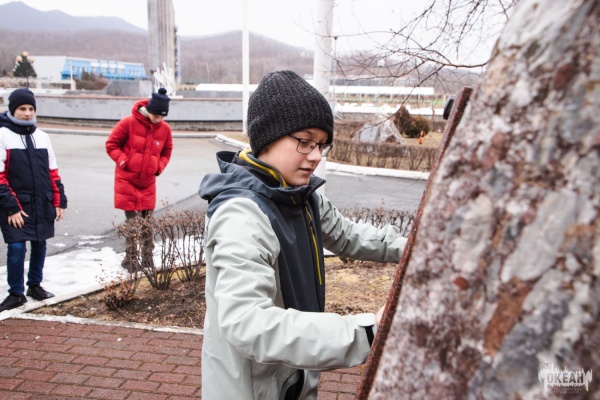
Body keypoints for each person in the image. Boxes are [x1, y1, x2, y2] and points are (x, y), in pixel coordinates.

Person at [198, 70, 407, 400]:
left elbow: (348, 236)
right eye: (305, 142)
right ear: (268, 138)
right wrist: (368, 332)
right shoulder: (241, 214)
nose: (315, 156)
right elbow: (248, 323)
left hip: (293, 378)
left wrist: (417, 249)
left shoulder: (300, 196)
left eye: (321, 144)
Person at [0, 88, 67, 312]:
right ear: (12, 110)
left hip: (41, 202)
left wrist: (59, 200)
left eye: (31, 108)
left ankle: (35, 285)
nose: (27, 113)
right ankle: (16, 293)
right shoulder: (3, 135)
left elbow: (52, 172)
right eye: (22, 108)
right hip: (15, 205)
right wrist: (12, 208)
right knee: (16, 247)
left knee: (40, 244)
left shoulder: (42, 137)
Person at [105, 87, 173, 271]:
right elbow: (111, 144)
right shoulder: (128, 123)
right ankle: (131, 260)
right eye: (156, 115)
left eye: (162, 117)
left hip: (148, 182)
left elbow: (167, 151)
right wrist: (124, 161)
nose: (159, 120)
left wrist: (158, 167)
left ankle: (148, 259)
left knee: (147, 224)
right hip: (127, 179)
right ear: (149, 110)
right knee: (133, 223)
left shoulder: (165, 129)